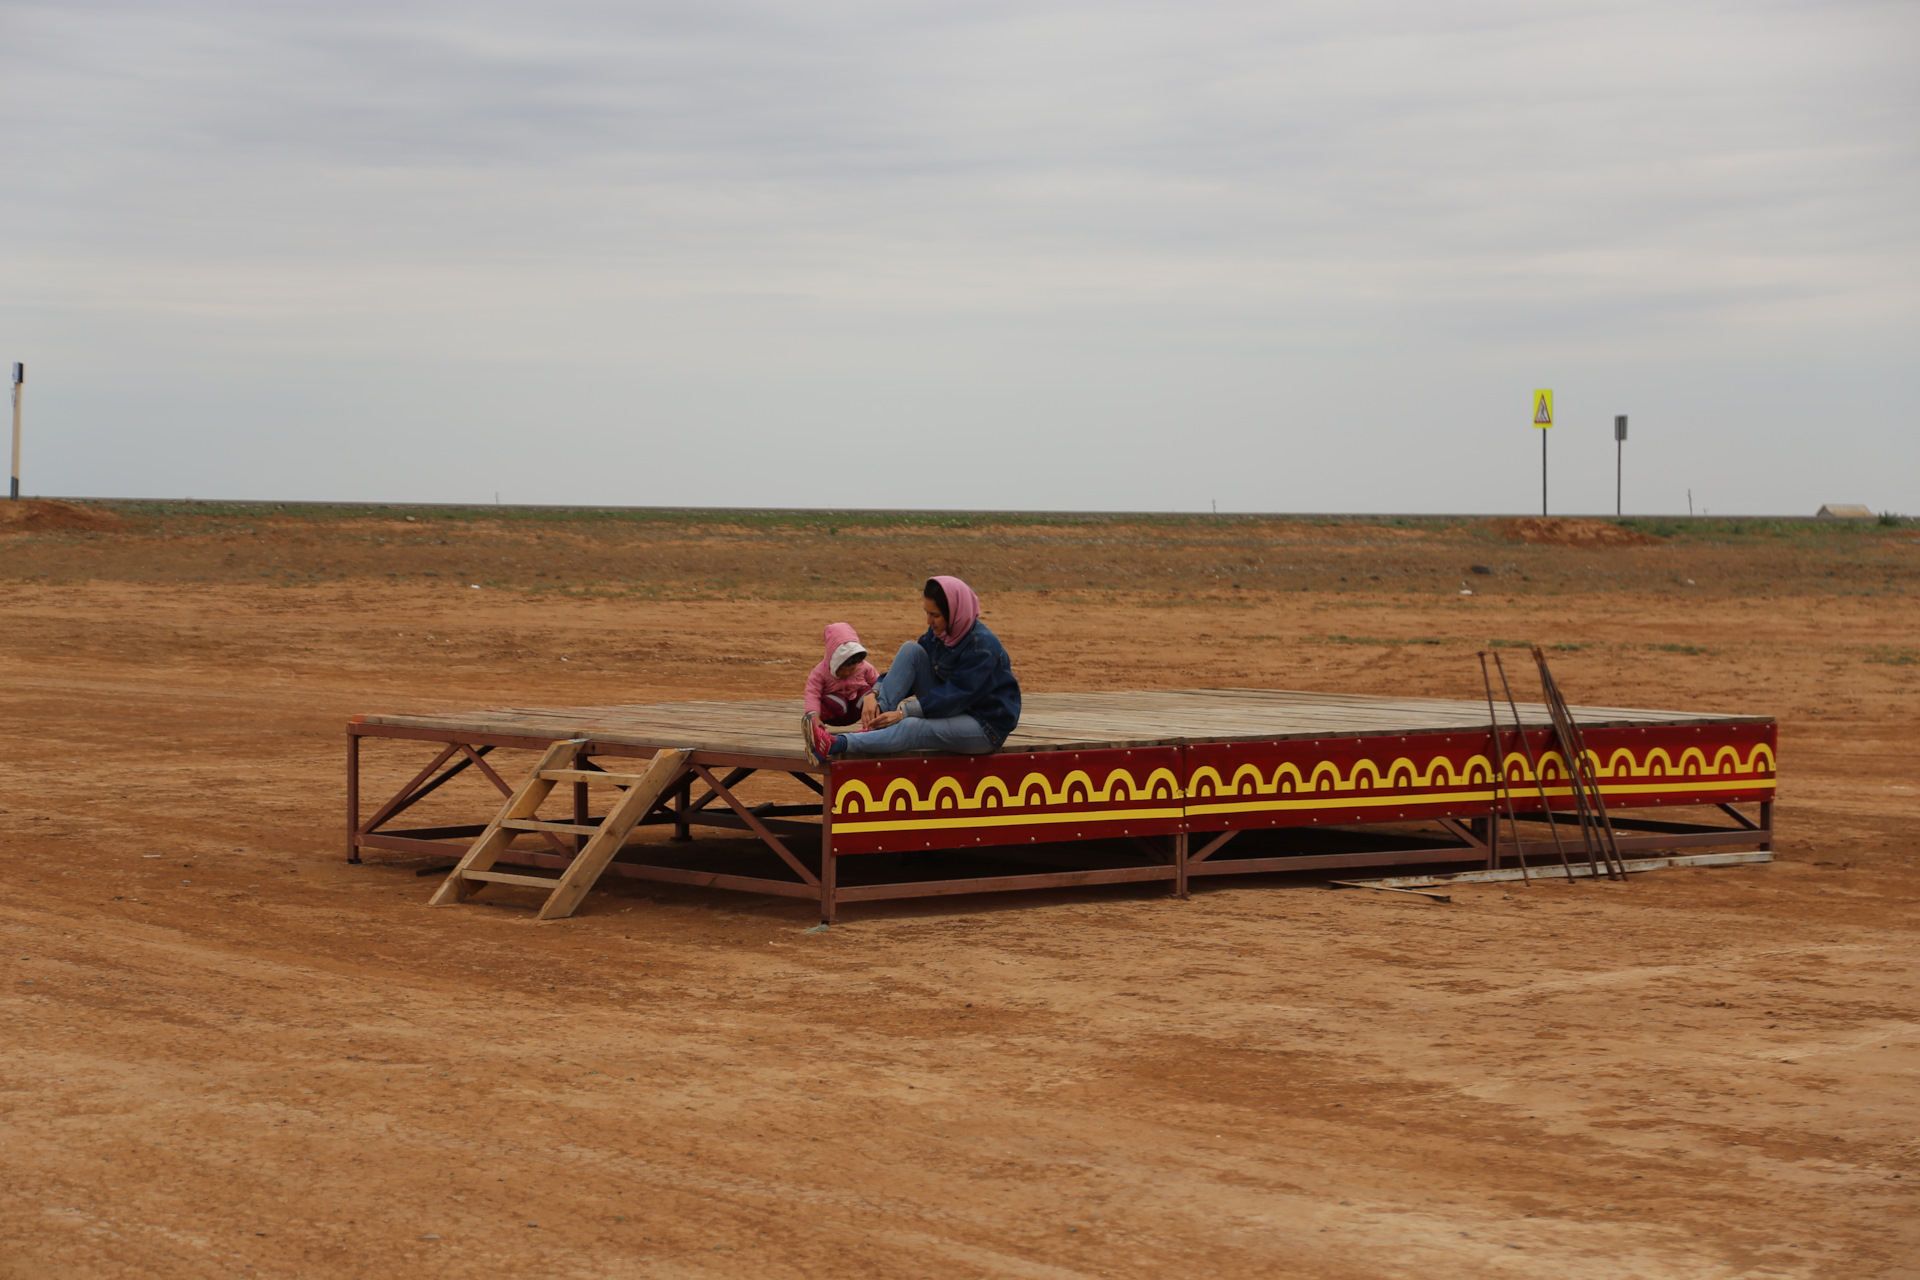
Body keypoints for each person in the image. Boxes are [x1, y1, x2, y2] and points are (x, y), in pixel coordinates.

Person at [803, 575, 1020, 762]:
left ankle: (835, 744)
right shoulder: (941, 634)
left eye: (935, 615)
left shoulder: (982, 647)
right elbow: (907, 671)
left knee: (912, 727)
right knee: (911, 651)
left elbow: (954, 697)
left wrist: (903, 713)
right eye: (927, 613)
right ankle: (872, 727)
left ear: (955, 613)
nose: (929, 621)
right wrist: (874, 692)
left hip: (983, 726)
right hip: (950, 709)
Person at [805, 623, 879, 728]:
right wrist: (813, 715)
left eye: (852, 669)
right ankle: (819, 727)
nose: (848, 673)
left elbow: (878, 683)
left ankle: (872, 725)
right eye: (843, 670)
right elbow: (812, 694)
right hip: (833, 714)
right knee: (837, 702)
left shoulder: (865, 667)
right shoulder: (820, 673)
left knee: (868, 694)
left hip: (857, 711)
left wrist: (873, 697)